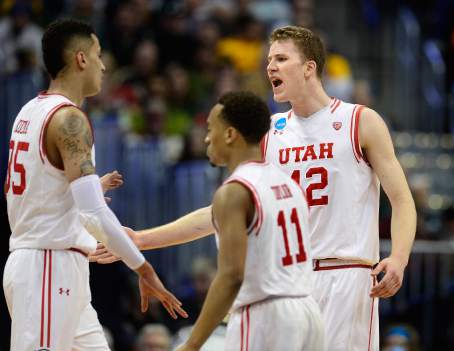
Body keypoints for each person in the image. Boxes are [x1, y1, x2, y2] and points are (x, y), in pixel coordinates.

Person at [93, 26, 416, 351]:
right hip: (290, 285)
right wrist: (141, 239)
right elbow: (222, 210)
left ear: (309, 68)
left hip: (345, 275)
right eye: (268, 59)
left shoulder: (359, 121)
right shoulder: (271, 134)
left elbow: (402, 200)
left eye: (281, 58)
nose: (270, 66)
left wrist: (399, 258)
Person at [2, 19, 186, 351]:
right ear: (81, 59)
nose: (103, 65)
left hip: (59, 267)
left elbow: (44, 187)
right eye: (98, 54)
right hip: (47, 267)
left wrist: (88, 187)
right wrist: (142, 268)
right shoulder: (69, 119)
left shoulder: (30, 110)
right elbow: (92, 212)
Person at [174, 91, 324, 351]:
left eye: (211, 129)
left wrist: (192, 344)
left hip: (266, 315)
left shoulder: (234, 191)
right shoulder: (289, 184)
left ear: (230, 134)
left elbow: (232, 275)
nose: (207, 138)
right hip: (309, 312)